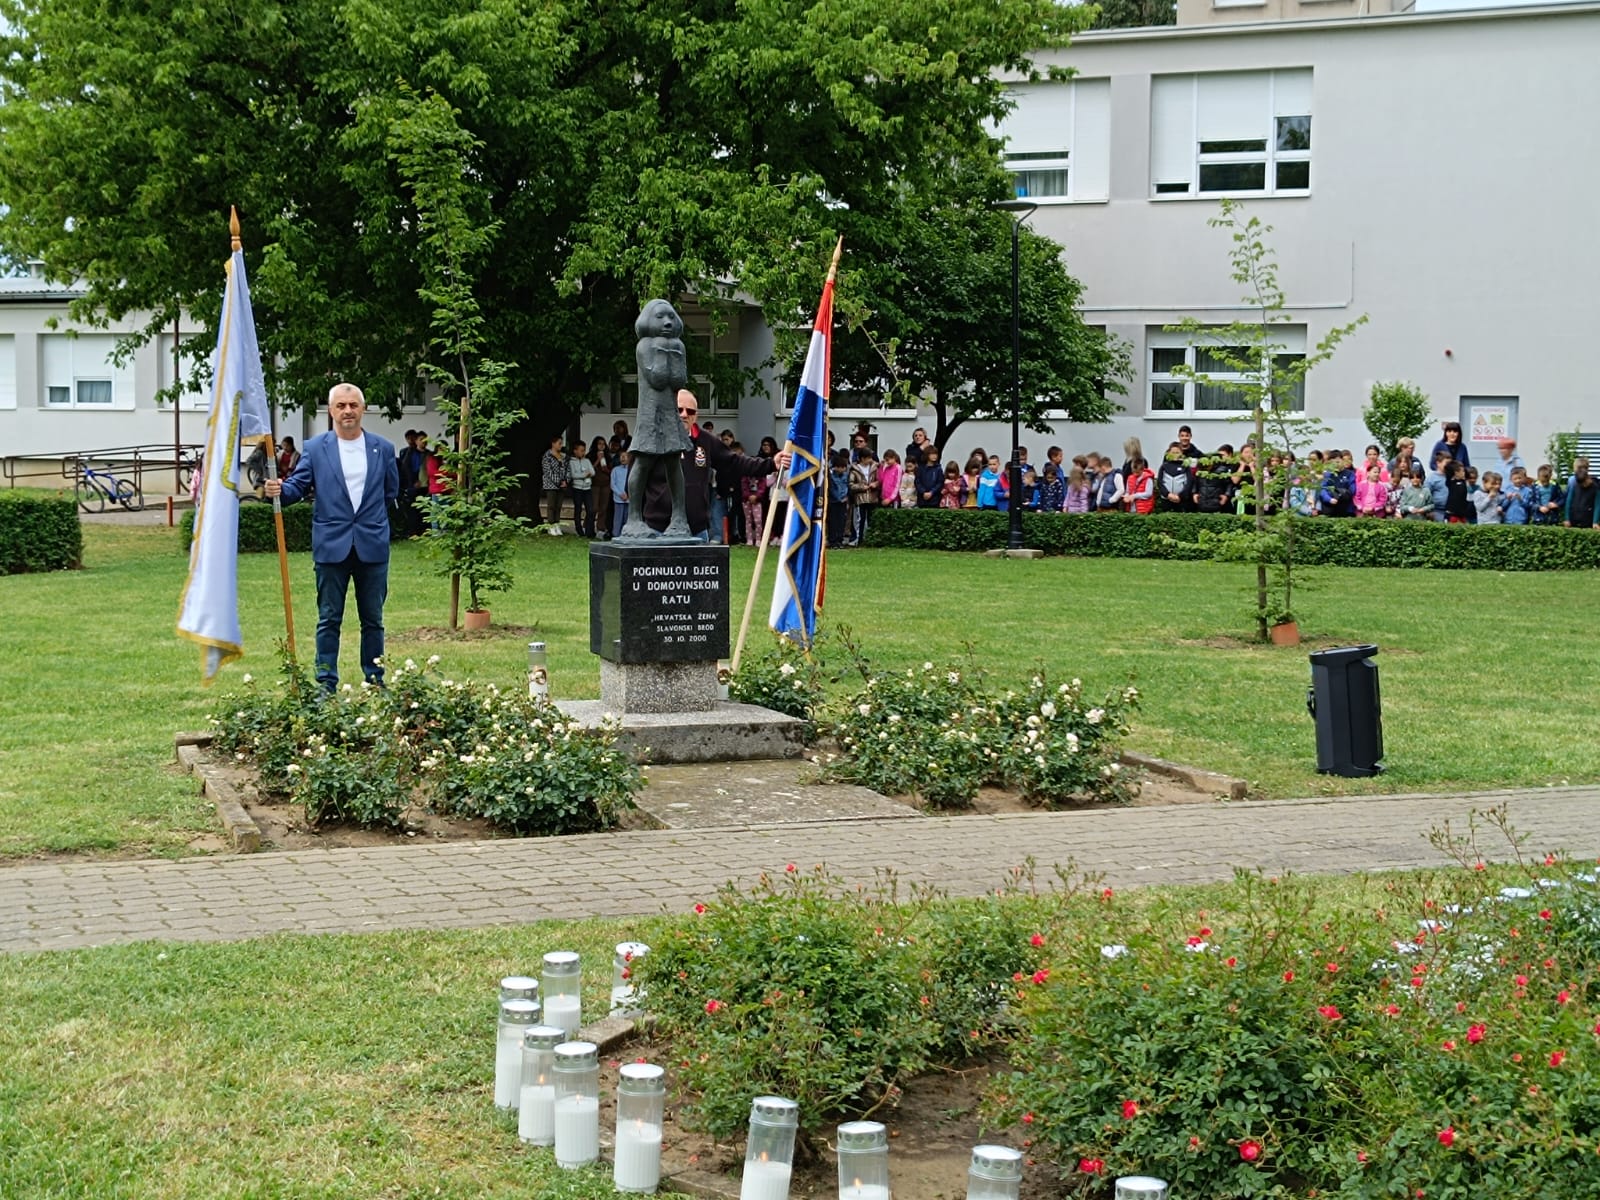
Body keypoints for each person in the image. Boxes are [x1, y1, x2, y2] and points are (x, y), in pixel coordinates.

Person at [264, 382, 399, 691]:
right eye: (341, 406)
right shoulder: (315, 448)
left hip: (372, 546)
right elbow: (297, 486)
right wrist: (279, 490)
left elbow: (391, 492)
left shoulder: (383, 448)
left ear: (362, 409)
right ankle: (326, 683)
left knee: (373, 620)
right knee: (328, 619)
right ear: (330, 411)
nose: (347, 411)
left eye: (353, 405)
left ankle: (375, 680)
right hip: (331, 547)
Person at [642, 390, 784, 539]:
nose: (684, 414)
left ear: (695, 416)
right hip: (659, 529)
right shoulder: (653, 439)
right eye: (679, 410)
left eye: (689, 411)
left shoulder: (706, 441)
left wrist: (771, 463)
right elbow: (636, 479)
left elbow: (734, 462)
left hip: (696, 530)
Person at [623, 299, 692, 538]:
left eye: (671, 317)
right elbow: (658, 378)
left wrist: (672, 352)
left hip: (669, 413)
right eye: (661, 317)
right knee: (643, 462)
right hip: (650, 413)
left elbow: (679, 380)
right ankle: (633, 518)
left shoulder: (678, 346)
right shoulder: (645, 346)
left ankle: (680, 518)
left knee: (674, 462)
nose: (667, 322)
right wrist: (664, 352)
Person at [848, 448, 879, 545]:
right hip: (860, 499)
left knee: (872, 519)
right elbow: (851, 484)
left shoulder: (875, 468)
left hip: (872, 498)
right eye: (867, 458)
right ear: (862, 458)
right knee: (860, 520)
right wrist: (862, 487)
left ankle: (870, 540)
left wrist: (875, 484)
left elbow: (879, 479)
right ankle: (859, 540)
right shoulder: (854, 470)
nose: (870, 460)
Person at [567, 439, 595, 536]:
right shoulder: (571, 462)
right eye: (581, 450)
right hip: (577, 488)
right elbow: (573, 475)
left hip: (587, 488)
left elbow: (593, 472)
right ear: (575, 451)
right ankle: (579, 530)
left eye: (584, 450)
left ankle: (589, 531)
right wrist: (584, 475)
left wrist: (587, 474)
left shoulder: (587, 461)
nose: (583, 452)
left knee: (591, 510)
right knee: (578, 509)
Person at [1156, 443, 1194, 512]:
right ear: (1169, 453)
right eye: (1173, 452)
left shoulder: (1186, 467)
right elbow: (1160, 482)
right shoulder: (1164, 466)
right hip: (1166, 499)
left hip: (1181, 500)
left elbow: (1189, 483)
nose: (1175, 454)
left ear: (1181, 453)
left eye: (1177, 452)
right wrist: (1167, 494)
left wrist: (1180, 496)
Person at [540, 435, 568, 526]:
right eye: (559, 443)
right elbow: (548, 472)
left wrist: (565, 480)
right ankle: (551, 524)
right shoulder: (547, 456)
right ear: (553, 443)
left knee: (558, 506)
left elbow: (567, 469)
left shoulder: (563, 456)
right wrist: (559, 482)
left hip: (562, 484)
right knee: (551, 506)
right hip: (551, 485)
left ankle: (557, 523)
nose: (561, 445)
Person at [827, 451, 853, 546]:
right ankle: (833, 540)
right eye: (840, 467)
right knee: (833, 522)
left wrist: (845, 497)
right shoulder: (831, 476)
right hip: (834, 502)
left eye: (844, 467)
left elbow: (846, 486)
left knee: (842, 522)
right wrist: (839, 498)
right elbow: (832, 489)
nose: (842, 469)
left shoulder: (846, 476)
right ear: (835, 467)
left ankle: (840, 540)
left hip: (843, 501)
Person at [1564, 457, 1599, 528]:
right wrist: (1567, 519)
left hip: (1587, 519)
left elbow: (1598, 504)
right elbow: (1568, 501)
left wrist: (1595, 521)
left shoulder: (1596, 485)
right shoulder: (1573, 483)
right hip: (1575, 519)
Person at [610, 449, 631, 537]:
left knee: (627, 518)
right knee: (618, 518)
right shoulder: (615, 470)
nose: (623, 458)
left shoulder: (632, 470)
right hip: (618, 498)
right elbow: (613, 484)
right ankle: (616, 534)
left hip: (629, 498)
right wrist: (620, 494)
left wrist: (628, 494)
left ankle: (626, 535)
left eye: (625, 456)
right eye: (621, 456)